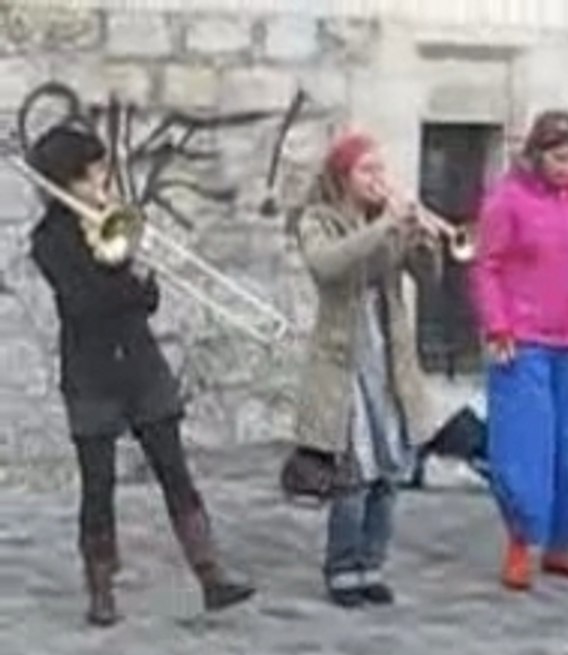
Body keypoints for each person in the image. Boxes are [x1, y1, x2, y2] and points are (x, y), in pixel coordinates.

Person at [28, 126, 255, 628]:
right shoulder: (48, 241)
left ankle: (211, 574)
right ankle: (101, 587)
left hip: (139, 363)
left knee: (174, 468)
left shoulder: (116, 221)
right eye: (95, 173)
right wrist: (114, 266)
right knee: (98, 483)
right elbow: (84, 303)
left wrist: (129, 261)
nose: (105, 181)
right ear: (69, 180)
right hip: (89, 372)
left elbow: (148, 297)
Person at [290, 131, 436, 608]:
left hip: (389, 356)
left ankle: (372, 564)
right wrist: (383, 227)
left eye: (381, 169)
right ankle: (341, 568)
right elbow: (328, 266)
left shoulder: (385, 218)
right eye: (366, 171)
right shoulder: (319, 220)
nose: (378, 179)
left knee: (391, 471)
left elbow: (428, 276)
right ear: (343, 177)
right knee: (352, 472)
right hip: (343, 362)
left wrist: (421, 238)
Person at [472, 110, 568, 592]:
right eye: (558, 157)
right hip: (524, 335)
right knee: (526, 446)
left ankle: (563, 543)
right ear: (537, 154)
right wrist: (497, 326)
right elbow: (487, 267)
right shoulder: (508, 200)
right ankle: (521, 538)